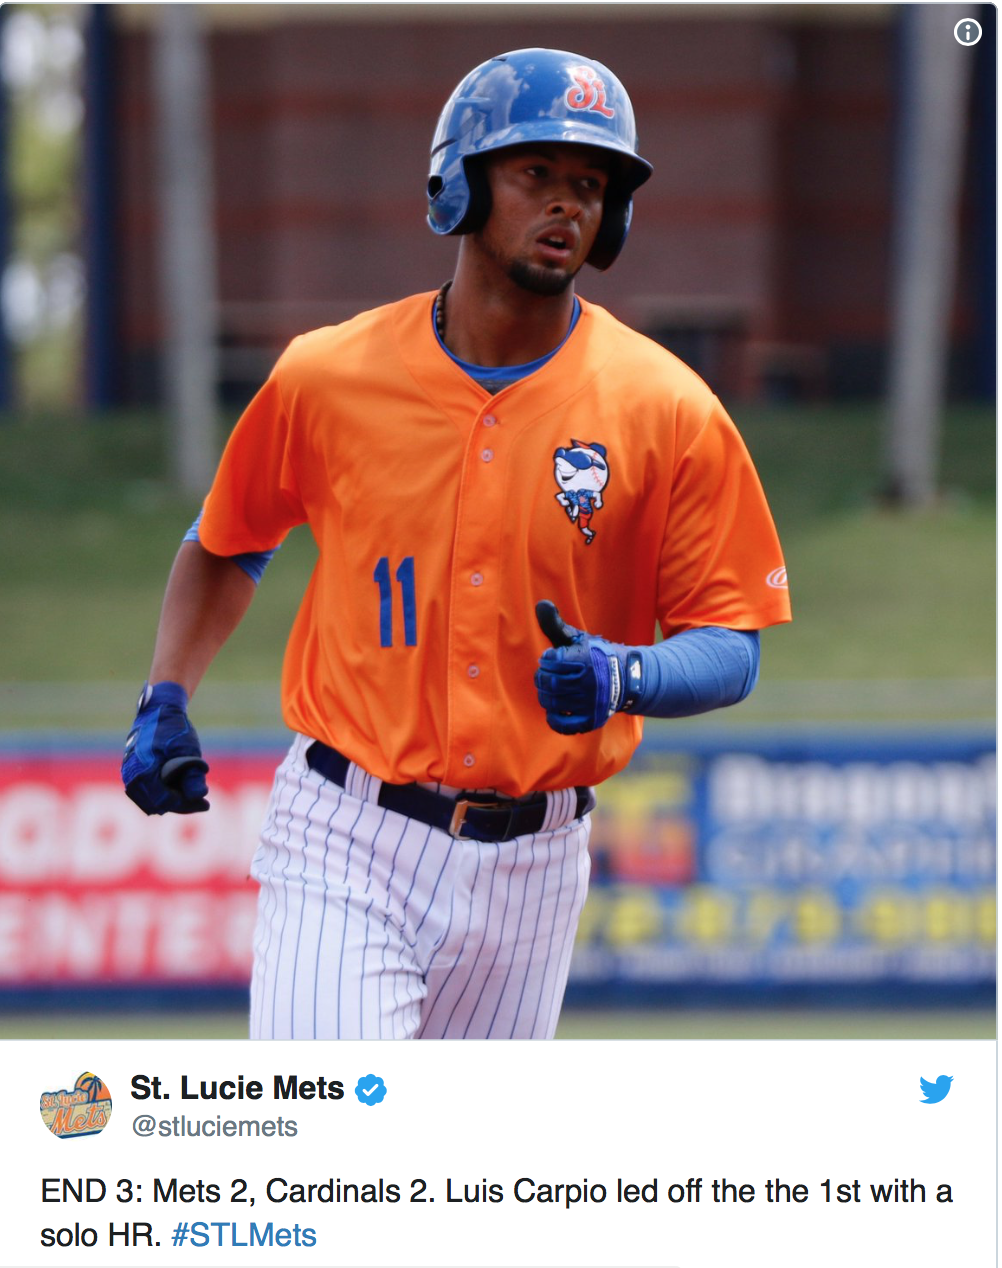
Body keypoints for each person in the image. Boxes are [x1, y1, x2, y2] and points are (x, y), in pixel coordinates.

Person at [122, 48, 791, 1040]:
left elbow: (732, 642)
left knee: (458, 1191)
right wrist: (165, 694)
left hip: (538, 866)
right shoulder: (329, 376)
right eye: (536, 176)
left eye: (591, 185)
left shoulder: (668, 407)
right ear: (460, 182)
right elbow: (229, 541)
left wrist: (627, 674)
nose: (567, 206)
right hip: (348, 833)